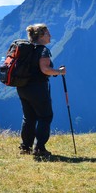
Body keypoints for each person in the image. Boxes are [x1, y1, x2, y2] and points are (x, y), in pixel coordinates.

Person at [18, 23, 66, 157]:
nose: (50, 35)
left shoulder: (26, 49)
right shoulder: (43, 50)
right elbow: (45, 69)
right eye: (47, 33)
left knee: (29, 117)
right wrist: (59, 72)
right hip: (37, 88)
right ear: (41, 36)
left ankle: (25, 147)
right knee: (45, 116)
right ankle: (39, 148)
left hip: (22, 87)